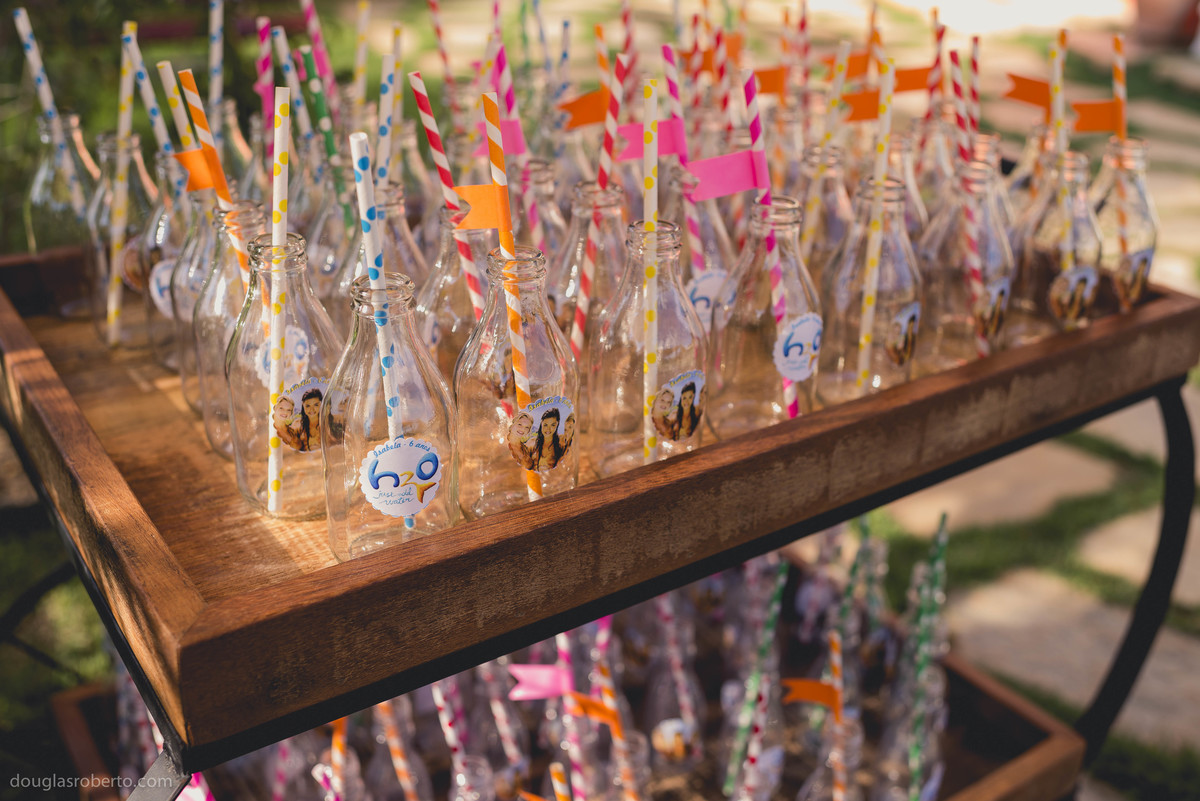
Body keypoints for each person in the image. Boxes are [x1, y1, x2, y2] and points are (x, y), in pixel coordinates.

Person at [297, 387, 324, 452]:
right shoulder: (297, 425)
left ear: (321, 404)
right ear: (303, 405)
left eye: (316, 405)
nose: (311, 409)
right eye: (308, 406)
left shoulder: (327, 424)